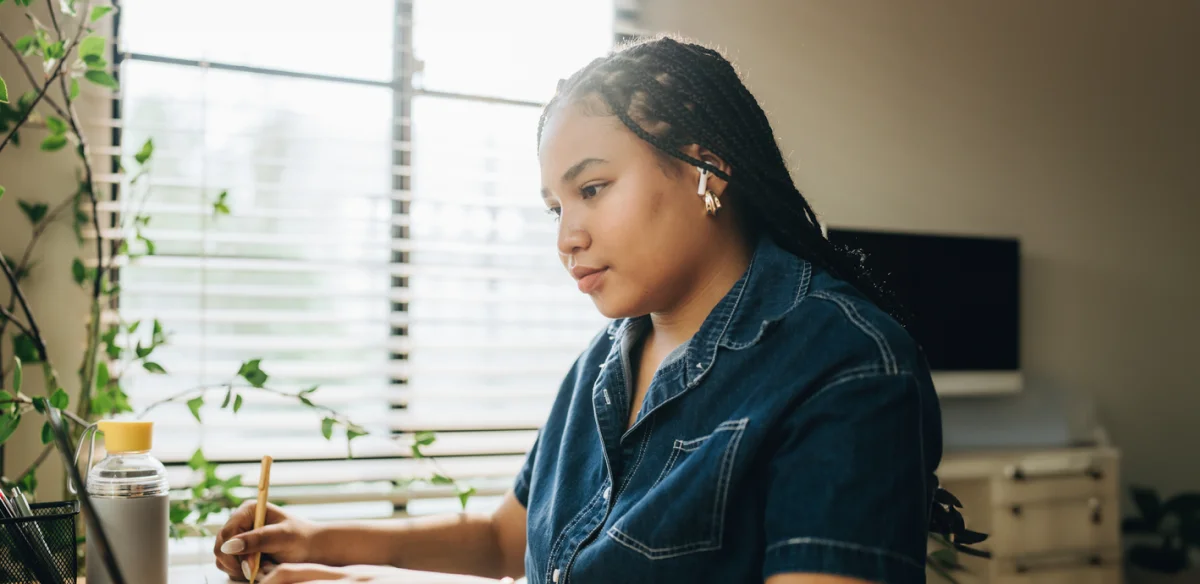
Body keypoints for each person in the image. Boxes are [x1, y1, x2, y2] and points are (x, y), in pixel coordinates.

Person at [214, 35, 982, 584]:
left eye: (591, 189)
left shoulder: (845, 365)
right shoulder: (603, 365)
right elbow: (505, 540)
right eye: (554, 206)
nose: (567, 237)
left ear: (706, 171)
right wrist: (322, 540)